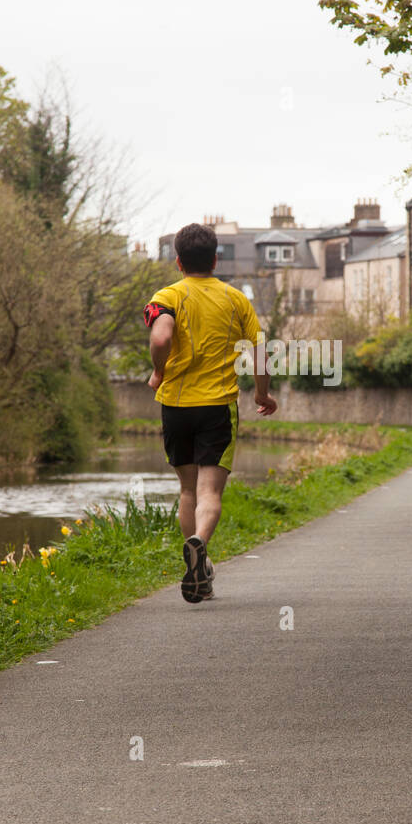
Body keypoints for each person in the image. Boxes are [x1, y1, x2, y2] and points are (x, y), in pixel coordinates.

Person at [144, 222, 278, 603]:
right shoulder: (236, 300)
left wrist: (158, 371)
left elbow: (161, 336)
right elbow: (261, 353)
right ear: (216, 259)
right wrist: (263, 394)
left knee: (187, 489)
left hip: (175, 406)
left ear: (178, 262)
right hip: (217, 408)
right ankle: (200, 544)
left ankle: (198, 563)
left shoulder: (167, 296)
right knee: (210, 492)